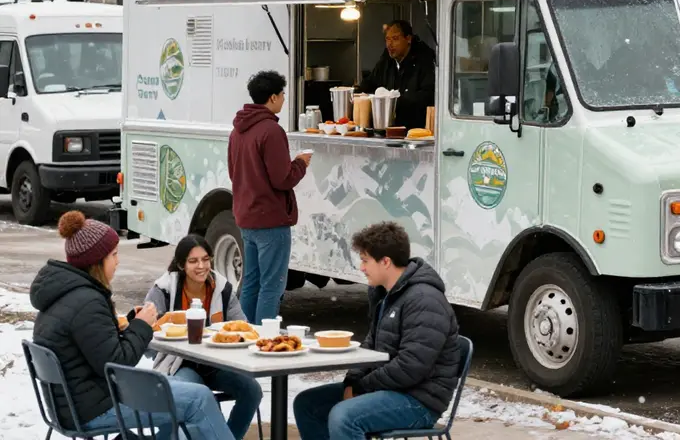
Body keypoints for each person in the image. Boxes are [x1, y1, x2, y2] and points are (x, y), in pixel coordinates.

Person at [30, 210, 235, 439]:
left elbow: (93, 344)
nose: (118, 262)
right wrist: (142, 325)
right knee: (200, 399)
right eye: (114, 255)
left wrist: (128, 322)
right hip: (96, 408)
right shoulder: (87, 302)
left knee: (196, 399)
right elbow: (118, 361)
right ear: (97, 261)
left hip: (74, 405)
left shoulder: (63, 295)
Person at [293, 221, 460, 440]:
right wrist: (352, 382)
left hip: (419, 400)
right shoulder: (387, 295)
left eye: (365, 261)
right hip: (391, 389)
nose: (361, 268)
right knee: (307, 404)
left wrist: (361, 388)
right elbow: (371, 345)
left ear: (386, 262)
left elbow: (411, 366)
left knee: (344, 417)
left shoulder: (424, 300)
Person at [144, 234, 263, 440]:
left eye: (206, 259)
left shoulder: (222, 288)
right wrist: (168, 326)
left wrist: (232, 335)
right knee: (196, 395)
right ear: (181, 265)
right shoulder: (163, 289)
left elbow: (242, 328)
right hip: (179, 364)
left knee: (252, 391)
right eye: (193, 261)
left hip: (217, 364)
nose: (201, 266)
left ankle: (229, 436)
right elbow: (145, 336)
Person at [228, 70, 311, 323]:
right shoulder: (271, 131)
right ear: (273, 97)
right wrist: (300, 164)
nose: (285, 99)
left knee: (251, 282)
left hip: (247, 218)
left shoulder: (238, 130)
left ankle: (245, 337)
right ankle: (263, 342)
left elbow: (234, 173)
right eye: (283, 94)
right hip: (271, 221)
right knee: (272, 286)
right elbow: (282, 179)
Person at [358, 20, 436, 129]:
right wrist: (357, 93)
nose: (390, 44)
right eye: (387, 39)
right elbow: (371, 82)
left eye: (395, 39)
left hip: (416, 128)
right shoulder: (387, 58)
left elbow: (429, 95)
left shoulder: (424, 59)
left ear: (408, 39)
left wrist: (397, 101)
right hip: (388, 128)